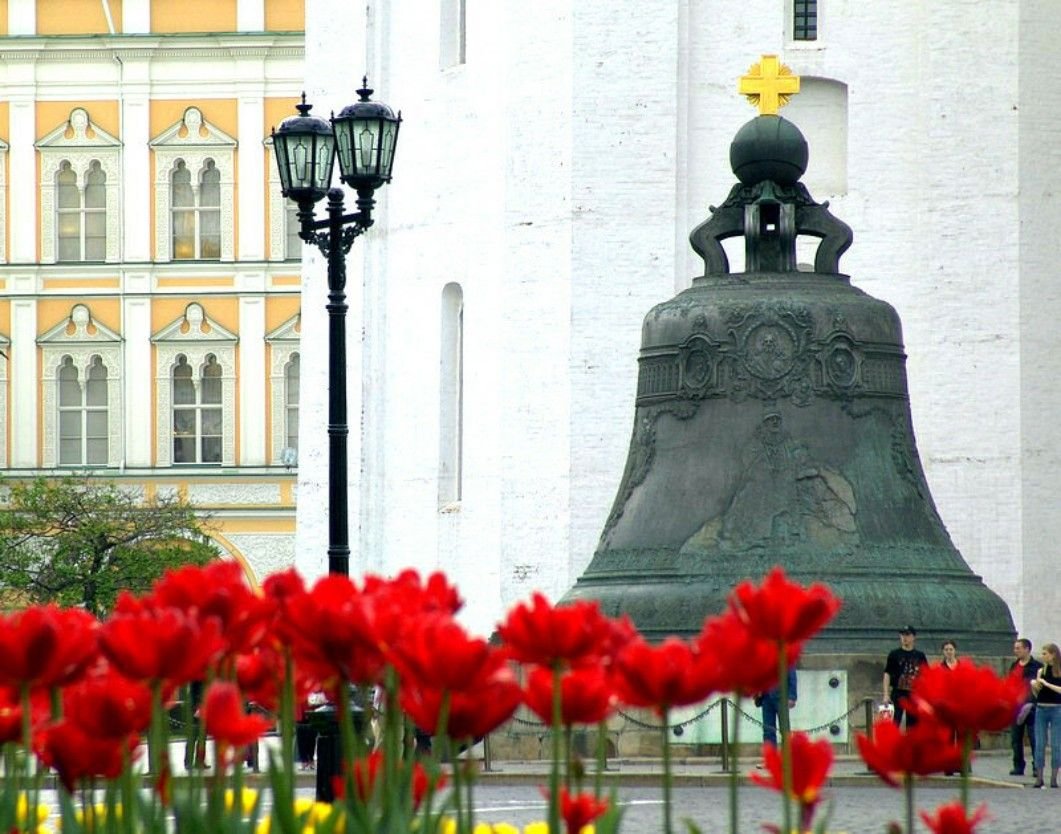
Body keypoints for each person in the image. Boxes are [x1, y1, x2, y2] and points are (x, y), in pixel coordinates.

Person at [882, 625, 928, 727]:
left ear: (913, 637)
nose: (904, 638)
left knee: (913, 725)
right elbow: (887, 673)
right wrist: (886, 694)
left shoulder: (920, 656)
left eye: (907, 635)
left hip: (914, 694)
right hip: (898, 693)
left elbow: (926, 676)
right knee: (895, 722)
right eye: (902, 635)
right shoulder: (894, 654)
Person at [1009, 637, 1042, 777]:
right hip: (1016, 705)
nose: (1016, 651)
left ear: (1027, 649)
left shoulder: (1037, 666)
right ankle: (1018, 766)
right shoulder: (1014, 665)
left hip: (1032, 705)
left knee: (1034, 737)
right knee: (1016, 738)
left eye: (1018, 648)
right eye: (1015, 648)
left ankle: (1037, 766)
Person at [1031, 643, 1061, 789]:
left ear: (1053, 654)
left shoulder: (1059, 671)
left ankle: (1054, 778)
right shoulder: (1041, 670)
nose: (1042, 656)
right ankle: (1039, 778)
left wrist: (1046, 684)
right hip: (1041, 708)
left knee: (1056, 744)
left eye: (1045, 653)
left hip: (1057, 709)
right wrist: (1035, 686)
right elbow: (1037, 694)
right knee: (1039, 744)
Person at [758, 666, 798, 748]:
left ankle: (786, 756)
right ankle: (771, 755)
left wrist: (792, 696)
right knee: (768, 730)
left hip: (781, 697)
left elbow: (792, 676)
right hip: (766, 697)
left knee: (784, 730)